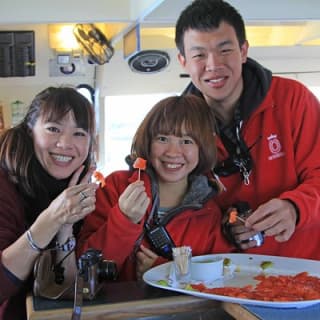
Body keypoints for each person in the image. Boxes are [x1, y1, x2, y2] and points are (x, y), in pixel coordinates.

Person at [175, 0, 320, 259]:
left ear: (243, 51)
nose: (213, 65)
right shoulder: (180, 129)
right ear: (183, 61)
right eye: (199, 55)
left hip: (306, 275)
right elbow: (181, 207)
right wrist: (225, 225)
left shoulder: (293, 100)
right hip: (227, 278)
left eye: (225, 50)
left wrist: (295, 207)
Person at [77, 95, 233, 281]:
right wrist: (124, 220)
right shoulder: (115, 187)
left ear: (203, 148)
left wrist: (163, 271)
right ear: (148, 142)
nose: (173, 152)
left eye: (187, 141)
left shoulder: (210, 213)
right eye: (162, 138)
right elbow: (84, 272)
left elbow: (220, 280)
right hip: (114, 308)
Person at [0, 86, 98, 320]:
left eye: (79, 133)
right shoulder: (4, 185)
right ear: (29, 130)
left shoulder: (77, 190)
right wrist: (52, 218)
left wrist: (65, 231)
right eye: (53, 129)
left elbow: (66, 289)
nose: (65, 144)